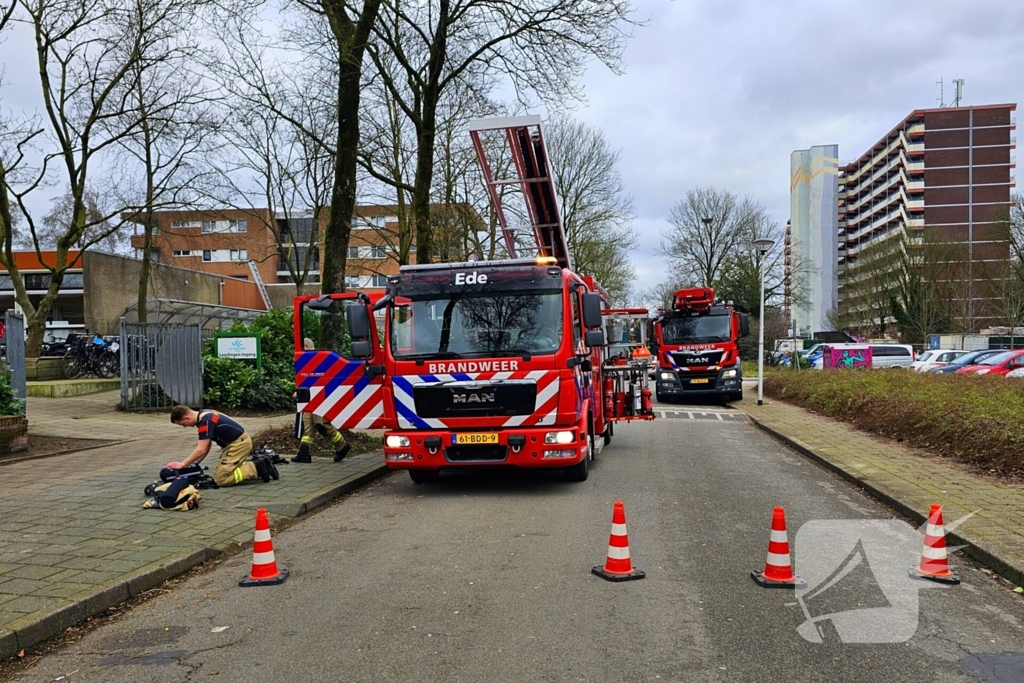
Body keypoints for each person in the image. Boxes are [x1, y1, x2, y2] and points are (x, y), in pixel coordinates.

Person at [168, 405, 278, 485]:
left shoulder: (205, 422)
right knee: (224, 470)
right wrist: (195, 464)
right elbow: (206, 446)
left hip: (238, 445)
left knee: (220, 479)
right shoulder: (205, 414)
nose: (184, 427)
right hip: (236, 443)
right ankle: (252, 465)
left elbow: (200, 450)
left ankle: (257, 467)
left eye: (183, 424)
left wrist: (182, 464)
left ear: (186, 418)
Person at [293, 338, 351, 464]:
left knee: (322, 425)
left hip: (320, 398)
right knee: (308, 426)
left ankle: (342, 446)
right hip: (308, 397)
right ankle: (304, 453)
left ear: (307, 346)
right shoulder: (304, 360)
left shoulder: (318, 359)